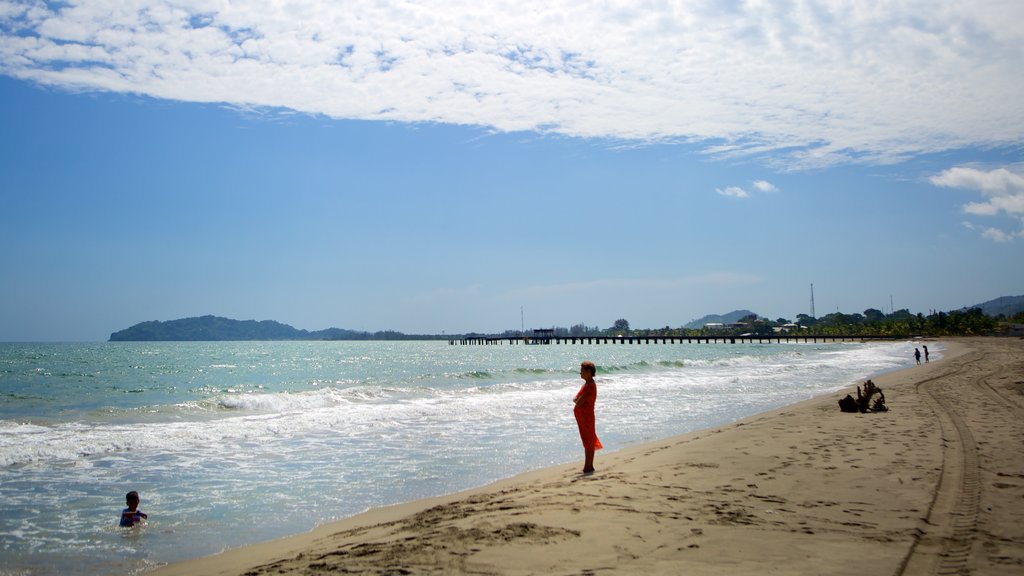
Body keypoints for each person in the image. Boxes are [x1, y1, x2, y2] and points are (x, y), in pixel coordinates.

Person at [573, 361, 603, 474]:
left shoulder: (589, 386)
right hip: (584, 416)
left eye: (582, 370)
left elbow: (578, 402)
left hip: (587, 417)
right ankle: (589, 465)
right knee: (588, 440)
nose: (580, 372)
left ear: (589, 372)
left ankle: (588, 466)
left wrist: (576, 399)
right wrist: (576, 399)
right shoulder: (587, 384)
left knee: (588, 441)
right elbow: (577, 399)